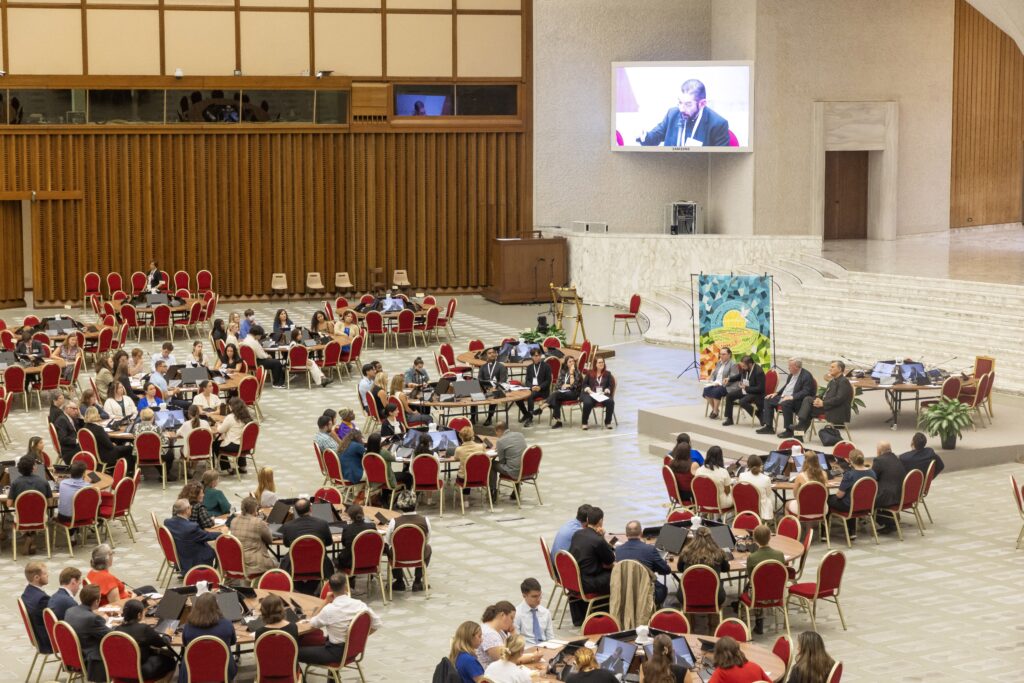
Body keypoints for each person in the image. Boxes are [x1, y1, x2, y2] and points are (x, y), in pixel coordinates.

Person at [299, 573, 381, 666]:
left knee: (295, 652)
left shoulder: (329, 609)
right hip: (353, 649)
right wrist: (358, 639)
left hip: (335, 653)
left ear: (329, 588)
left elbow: (312, 622)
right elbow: (377, 623)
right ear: (346, 586)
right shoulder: (360, 604)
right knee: (313, 641)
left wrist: (325, 601)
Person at [637, 78, 730, 147]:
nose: (681, 109)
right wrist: (645, 136)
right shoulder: (672, 114)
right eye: (680, 102)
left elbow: (720, 160)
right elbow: (655, 137)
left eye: (688, 104)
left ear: (702, 104)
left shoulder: (718, 124)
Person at [180, 592, 237, 683]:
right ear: (216, 606)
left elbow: (186, 644)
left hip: (192, 671)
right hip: (224, 670)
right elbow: (233, 642)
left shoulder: (188, 626)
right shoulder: (227, 624)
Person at [115, 599, 177, 682]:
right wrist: (168, 635)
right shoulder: (144, 629)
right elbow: (162, 643)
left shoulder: (116, 630)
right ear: (139, 615)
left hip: (119, 670)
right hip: (139, 671)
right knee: (171, 661)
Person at [279, 498, 334, 589]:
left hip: (294, 566)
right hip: (320, 565)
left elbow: (287, 545)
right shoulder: (322, 523)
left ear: (295, 511)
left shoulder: (288, 526)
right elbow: (328, 543)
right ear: (310, 509)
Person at [615, 520, 672, 606]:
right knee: (663, 589)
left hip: (625, 593)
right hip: (646, 594)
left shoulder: (618, 550)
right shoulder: (650, 549)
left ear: (626, 535)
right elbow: (666, 570)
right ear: (641, 533)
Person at [64, 584, 111, 682]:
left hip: (74, 656)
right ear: (96, 601)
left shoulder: (70, 611)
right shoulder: (92, 618)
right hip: (93, 659)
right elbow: (111, 636)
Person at [385, 494, 432, 592]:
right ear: (416, 504)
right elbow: (426, 540)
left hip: (398, 558)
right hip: (418, 556)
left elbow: (388, 541)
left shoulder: (394, 522)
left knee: (388, 547)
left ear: (400, 506)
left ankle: (399, 580)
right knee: (428, 548)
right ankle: (418, 581)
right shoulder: (425, 520)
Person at [758, 358, 815, 438]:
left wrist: (792, 397)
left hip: (797, 400)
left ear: (796, 367)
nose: (788, 368)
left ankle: (789, 430)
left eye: (790, 366)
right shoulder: (791, 374)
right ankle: (769, 427)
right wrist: (776, 393)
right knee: (768, 399)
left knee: (786, 404)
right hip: (785, 396)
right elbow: (786, 386)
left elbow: (806, 391)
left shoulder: (806, 376)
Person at [827, 449, 876, 540]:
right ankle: (851, 531)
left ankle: (824, 534)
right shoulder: (872, 473)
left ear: (850, 461)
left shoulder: (849, 475)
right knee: (851, 497)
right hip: (867, 505)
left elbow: (839, 495)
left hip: (851, 506)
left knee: (828, 499)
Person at [678, 526, 729, 614]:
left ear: (695, 537)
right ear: (711, 537)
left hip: (686, 597)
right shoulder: (719, 553)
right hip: (716, 597)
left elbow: (680, 569)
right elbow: (726, 569)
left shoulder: (685, 553)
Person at [744, 524, 784, 634]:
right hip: (776, 594)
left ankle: (758, 621)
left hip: (757, 596)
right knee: (763, 584)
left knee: (750, 586)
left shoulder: (752, 557)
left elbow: (750, 576)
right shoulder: (780, 555)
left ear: (754, 539)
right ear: (770, 537)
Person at [796, 360, 853, 432]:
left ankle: (799, 427)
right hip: (828, 407)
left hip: (836, 410)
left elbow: (839, 399)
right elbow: (825, 394)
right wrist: (818, 399)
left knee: (808, 403)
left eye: (832, 367)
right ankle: (800, 432)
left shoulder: (843, 381)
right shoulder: (833, 381)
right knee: (808, 405)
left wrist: (823, 403)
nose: (830, 369)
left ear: (839, 369)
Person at [164, 498, 219, 572]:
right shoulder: (191, 527)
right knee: (217, 548)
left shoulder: (168, 522)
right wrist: (222, 534)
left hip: (180, 555)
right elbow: (207, 535)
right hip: (194, 559)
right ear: (187, 510)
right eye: (190, 507)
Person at [569, 506, 614, 596]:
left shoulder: (577, 533)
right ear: (600, 521)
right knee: (618, 574)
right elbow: (610, 561)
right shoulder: (598, 540)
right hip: (587, 583)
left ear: (587, 519)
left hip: (573, 579)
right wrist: (602, 537)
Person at [10, 456, 51, 555]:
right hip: (40, 519)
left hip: (22, 520)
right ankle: (32, 537)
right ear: (34, 468)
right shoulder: (44, 482)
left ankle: (28, 537)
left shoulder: (15, 483)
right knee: (36, 512)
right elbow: (49, 503)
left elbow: (9, 503)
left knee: (17, 513)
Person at [228, 496, 279, 573]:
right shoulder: (258, 522)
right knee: (278, 563)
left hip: (238, 562)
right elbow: (270, 540)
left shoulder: (234, 521)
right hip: (255, 564)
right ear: (255, 509)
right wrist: (264, 525)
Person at [83, 407, 136, 472]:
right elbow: (110, 446)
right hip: (104, 455)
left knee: (119, 445)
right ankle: (125, 470)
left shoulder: (84, 428)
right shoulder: (98, 429)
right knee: (130, 448)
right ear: (97, 415)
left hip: (93, 454)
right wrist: (112, 444)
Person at [872, 440, 908, 533]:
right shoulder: (896, 458)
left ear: (879, 451)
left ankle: (889, 522)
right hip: (901, 494)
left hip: (889, 497)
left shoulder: (878, 460)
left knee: (867, 497)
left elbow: (871, 479)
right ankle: (891, 521)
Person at [722, 355, 766, 426]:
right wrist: (729, 379)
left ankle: (759, 414)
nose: (742, 368)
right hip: (746, 389)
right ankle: (729, 419)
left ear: (750, 364)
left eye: (744, 366)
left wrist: (746, 388)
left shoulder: (759, 372)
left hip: (756, 393)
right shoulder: (746, 368)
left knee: (742, 401)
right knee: (729, 396)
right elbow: (740, 375)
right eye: (742, 366)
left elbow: (760, 388)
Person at [214, 397, 253, 474]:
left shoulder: (230, 417)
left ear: (232, 407)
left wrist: (218, 425)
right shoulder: (247, 417)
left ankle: (228, 468)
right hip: (246, 446)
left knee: (215, 444)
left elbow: (220, 430)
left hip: (234, 446)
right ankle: (243, 467)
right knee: (239, 439)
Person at [785, 451, 830, 516]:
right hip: (822, 510)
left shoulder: (800, 476)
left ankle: (792, 526)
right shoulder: (824, 474)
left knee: (786, 505)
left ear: (805, 461)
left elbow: (795, 495)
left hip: (803, 510)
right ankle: (812, 525)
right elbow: (827, 493)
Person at [21, 562, 51, 655]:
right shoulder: (42, 599)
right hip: (46, 642)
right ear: (37, 578)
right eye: (45, 574)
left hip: (37, 637)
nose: (48, 575)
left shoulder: (26, 593)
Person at [490, 421, 527, 499]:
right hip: (525, 469)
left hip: (513, 471)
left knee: (491, 464)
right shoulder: (520, 435)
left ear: (499, 431)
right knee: (515, 460)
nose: (497, 435)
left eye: (496, 433)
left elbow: (502, 462)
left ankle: (492, 491)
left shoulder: (500, 441)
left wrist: (501, 451)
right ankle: (517, 488)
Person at [516, 348, 552, 426]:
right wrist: (531, 386)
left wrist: (540, 387)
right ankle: (526, 414)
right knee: (518, 396)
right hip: (532, 389)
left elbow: (548, 380)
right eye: (535, 356)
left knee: (530, 396)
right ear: (532, 357)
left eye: (538, 355)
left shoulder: (546, 366)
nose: (537, 357)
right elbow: (527, 380)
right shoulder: (529, 367)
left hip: (543, 391)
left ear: (541, 356)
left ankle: (530, 418)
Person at [513, 577, 553, 646]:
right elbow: (516, 642)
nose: (538, 599)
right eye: (534, 596)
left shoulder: (546, 612)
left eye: (540, 595)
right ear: (524, 595)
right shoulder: (517, 614)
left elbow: (551, 638)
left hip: (545, 648)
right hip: (527, 650)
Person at [476, 601, 516, 667]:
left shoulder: (500, 631)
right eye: (511, 618)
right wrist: (532, 657)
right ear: (502, 615)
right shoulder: (488, 633)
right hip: (488, 674)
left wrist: (513, 632)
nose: (513, 622)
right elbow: (505, 659)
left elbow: (516, 648)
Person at [338, 503, 376, 571]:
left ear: (350, 516)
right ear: (363, 514)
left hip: (351, 563)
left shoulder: (347, 529)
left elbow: (344, 544)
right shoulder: (372, 526)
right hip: (371, 561)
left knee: (339, 558)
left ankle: (348, 579)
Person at [548, 355, 583, 429]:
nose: (572, 363)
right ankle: (558, 421)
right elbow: (557, 385)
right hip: (563, 393)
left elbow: (574, 386)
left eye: (573, 361)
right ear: (566, 363)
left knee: (555, 394)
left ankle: (544, 406)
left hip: (574, 394)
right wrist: (563, 386)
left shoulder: (577, 372)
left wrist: (569, 382)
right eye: (570, 362)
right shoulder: (563, 371)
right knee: (556, 398)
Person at [580, 357, 615, 430]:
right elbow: (584, 384)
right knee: (587, 403)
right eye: (599, 362)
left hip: (602, 394)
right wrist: (589, 390)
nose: (601, 364)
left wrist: (607, 389)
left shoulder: (607, 374)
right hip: (590, 394)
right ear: (595, 364)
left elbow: (610, 385)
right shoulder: (590, 373)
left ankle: (608, 422)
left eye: (602, 362)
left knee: (610, 402)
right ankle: (584, 423)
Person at [476, 347, 508, 426]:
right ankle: (473, 417)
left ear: (496, 354)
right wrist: (486, 388)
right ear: (486, 356)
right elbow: (479, 379)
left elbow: (503, 380)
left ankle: (489, 418)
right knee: (474, 394)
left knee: (494, 394)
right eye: (489, 353)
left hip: (497, 390)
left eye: (493, 352)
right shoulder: (483, 367)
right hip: (485, 389)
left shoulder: (501, 366)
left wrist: (495, 388)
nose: (492, 354)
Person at [738, 454, 775, 520]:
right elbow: (768, 494)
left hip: (745, 506)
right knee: (770, 498)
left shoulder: (741, 475)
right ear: (761, 465)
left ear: (748, 465)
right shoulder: (766, 478)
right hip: (760, 508)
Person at [702, 347, 736, 420]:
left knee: (717, 391)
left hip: (726, 385)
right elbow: (715, 374)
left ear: (729, 355)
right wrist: (711, 380)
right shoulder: (719, 362)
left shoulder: (733, 364)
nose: (721, 356)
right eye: (720, 354)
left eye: (724, 354)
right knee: (706, 390)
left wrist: (722, 383)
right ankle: (716, 409)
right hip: (716, 383)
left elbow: (733, 377)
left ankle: (715, 412)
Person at [54, 399, 84, 464]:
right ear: (66, 409)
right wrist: (77, 441)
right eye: (74, 409)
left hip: (74, 447)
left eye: (77, 409)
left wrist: (80, 416)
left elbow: (83, 429)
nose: (76, 411)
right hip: (69, 451)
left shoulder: (72, 418)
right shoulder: (62, 420)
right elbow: (63, 439)